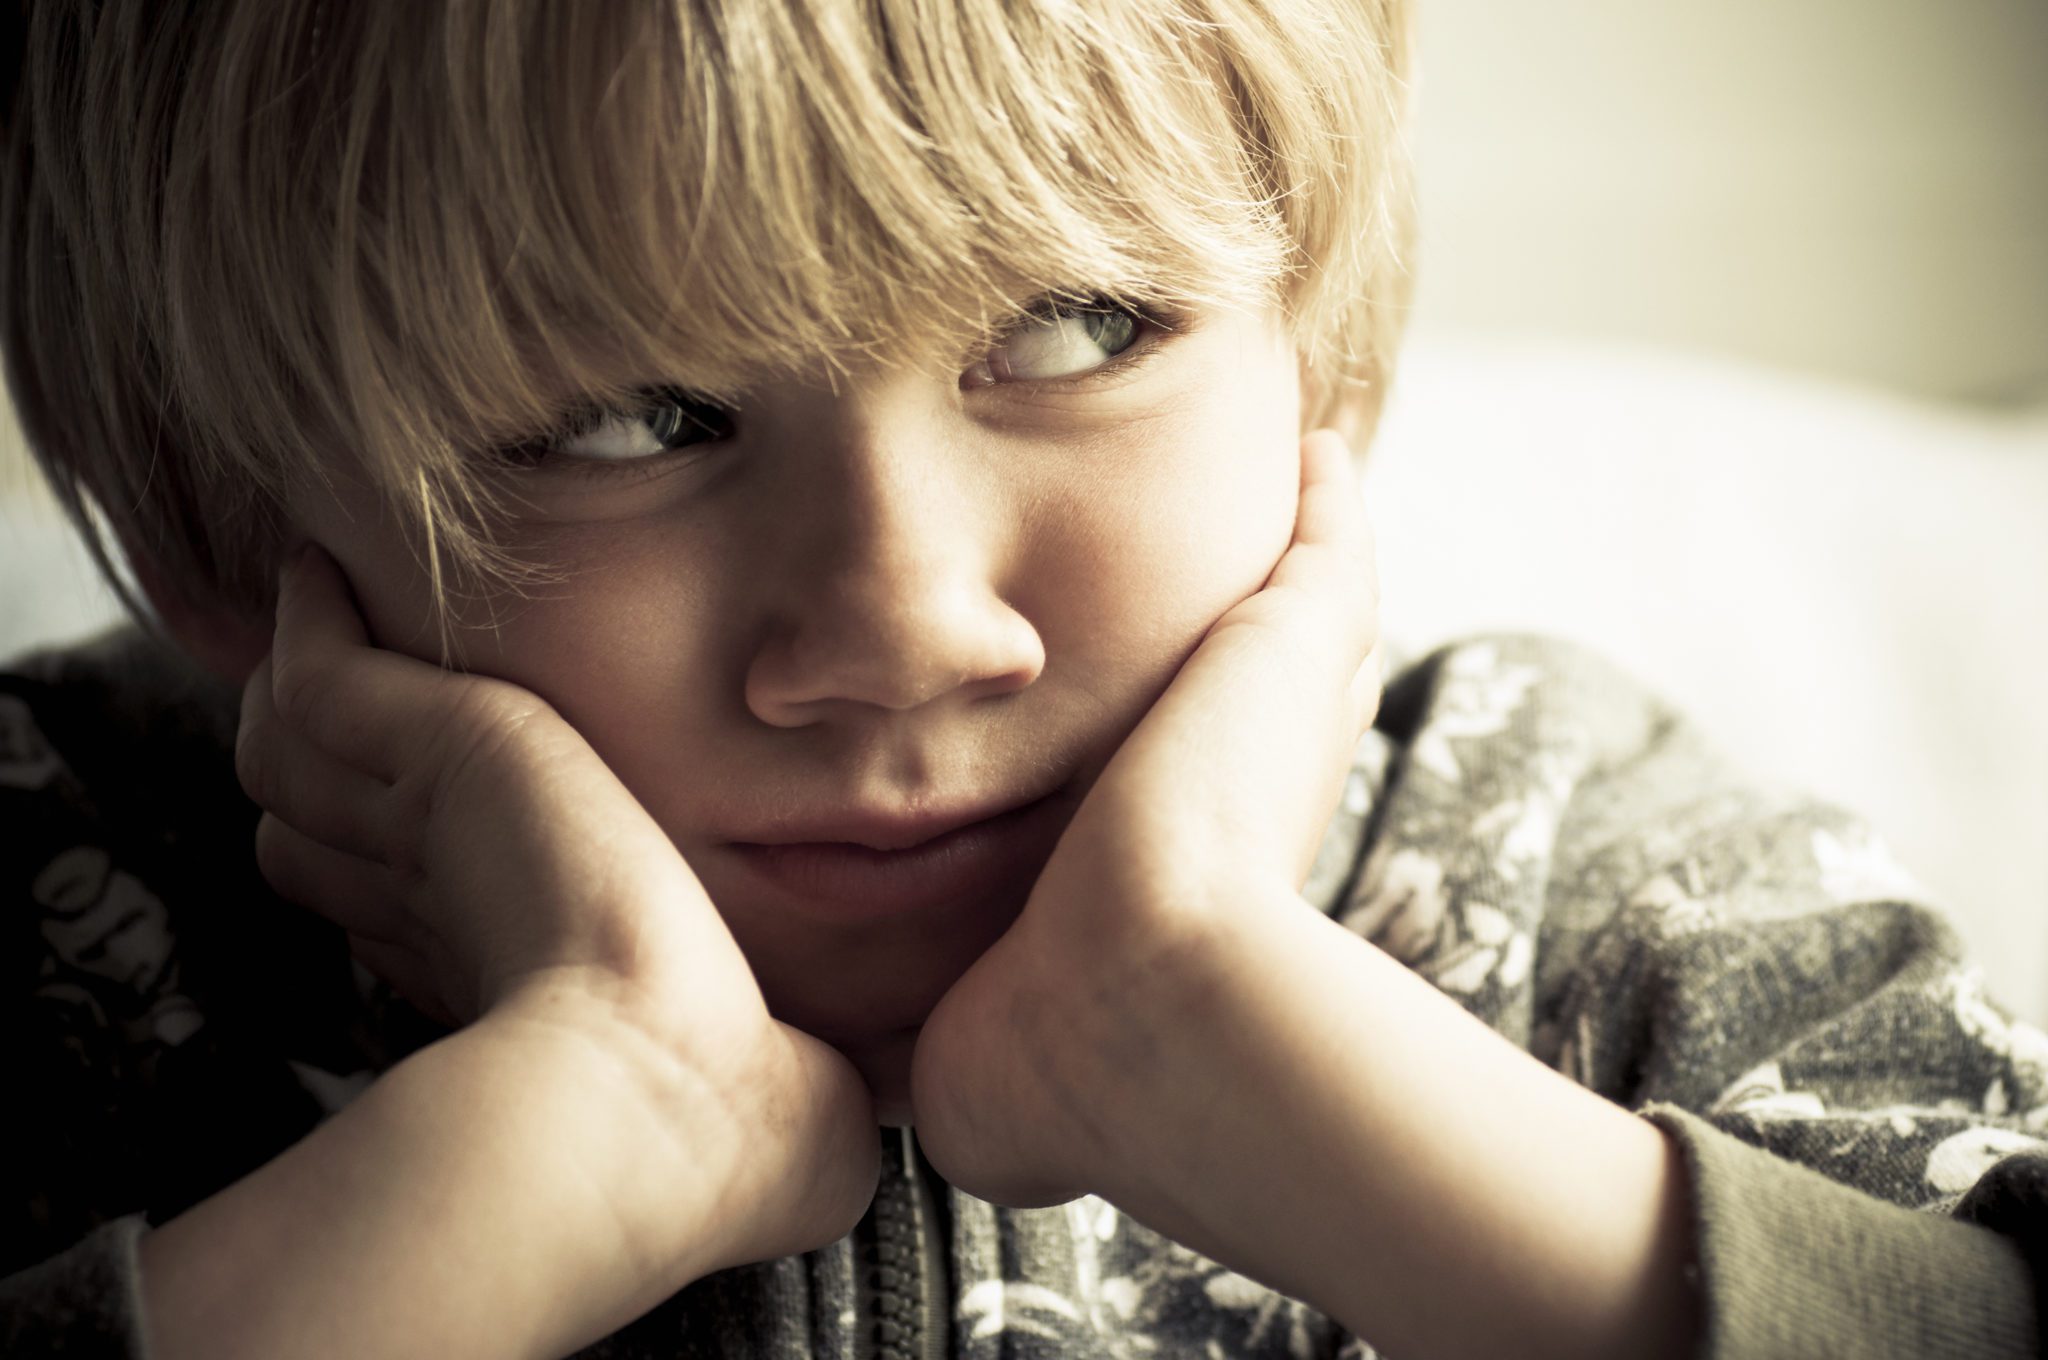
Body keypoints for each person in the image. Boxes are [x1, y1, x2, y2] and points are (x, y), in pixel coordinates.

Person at [2, 2, 2043, 1357]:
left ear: (1318, 356)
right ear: (214, 529)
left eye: (1078, 326)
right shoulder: (65, 869)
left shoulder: (1560, 828)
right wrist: (590, 1111)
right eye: (626, 420)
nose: (908, 624)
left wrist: (1208, 1027)